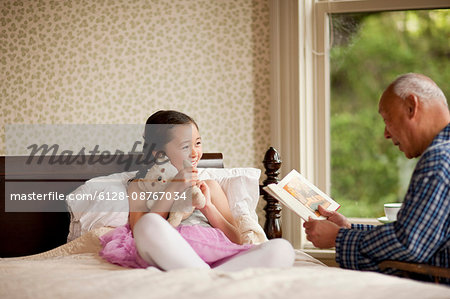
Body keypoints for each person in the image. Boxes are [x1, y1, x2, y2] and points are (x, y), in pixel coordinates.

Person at [100, 110, 295, 271]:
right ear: (159, 153)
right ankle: (205, 276)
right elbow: (138, 231)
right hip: (171, 251)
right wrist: (174, 186)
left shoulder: (209, 185)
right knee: (149, 223)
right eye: (186, 146)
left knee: (282, 249)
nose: (195, 152)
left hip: (217, 253)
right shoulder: (140, 185)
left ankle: (200, 276)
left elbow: (237, 239)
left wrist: (207, 206)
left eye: (198, 143)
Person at [304, 73, 449, 281]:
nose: (386, 134)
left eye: (386, 119)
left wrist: (338, 237)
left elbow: (408, 245)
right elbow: (419, 236)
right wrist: (349, 228)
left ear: (411, 106)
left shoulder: (439, 159)